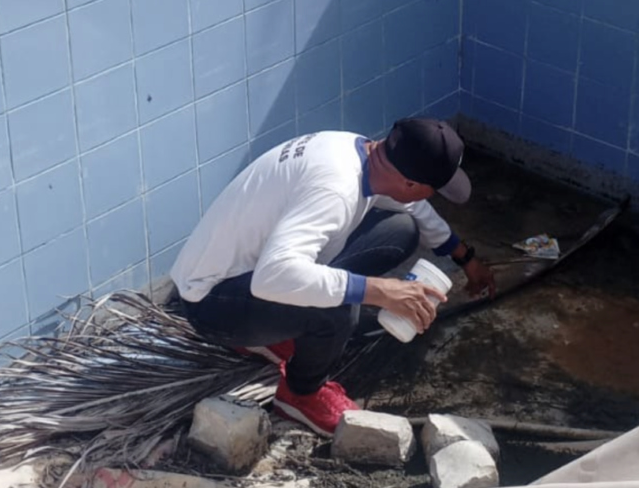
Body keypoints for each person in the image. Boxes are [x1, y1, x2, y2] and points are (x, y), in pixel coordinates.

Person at [170, 118, 496, 436]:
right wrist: (377, 290)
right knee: (340, 306)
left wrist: (464, 257)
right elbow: (273, 275)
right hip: (213, 303)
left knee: (400, 230)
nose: (431, 197)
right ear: (410, 184)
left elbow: (415, 209)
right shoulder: (337, 190)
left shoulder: (362, 154)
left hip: (242, 271)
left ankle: (280, 332)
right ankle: (300, 394)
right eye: (433, 190)